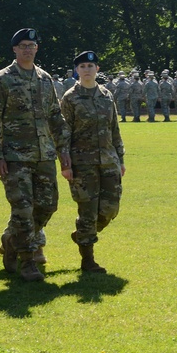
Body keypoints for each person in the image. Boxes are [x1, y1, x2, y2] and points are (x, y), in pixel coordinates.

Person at [0, 28, 70, 282]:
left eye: (31, 45)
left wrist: (63, 149)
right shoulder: (3, 79)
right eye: (22, 46)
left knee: (47, 206)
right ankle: (28, 259)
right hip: (14, 156)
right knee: (22, 208)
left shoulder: (44, 78)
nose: (27, 49)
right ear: (14, 49)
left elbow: (55, 114)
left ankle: (11, 239)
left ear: (37, 48)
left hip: (44, 154)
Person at [59, 52, 125, 273]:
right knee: (87, 211)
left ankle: (82, 235)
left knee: (109, 209)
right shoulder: (70, 98)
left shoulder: (106, 95)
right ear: (77, 70)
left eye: (91, 65)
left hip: (108, 161)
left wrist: (120, 159)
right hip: (82, 164)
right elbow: (63, 133)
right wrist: (65, 164)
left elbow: (114, 129)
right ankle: (88, 259)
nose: (87, 69)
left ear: (97, 69)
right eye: (83, 66)